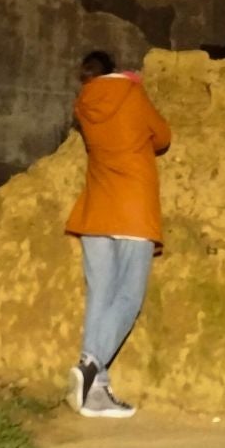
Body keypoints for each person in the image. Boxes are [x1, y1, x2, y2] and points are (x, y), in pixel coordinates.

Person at [63, 48, 172, 418]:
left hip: (96, 212)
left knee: (101, 297)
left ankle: (95, 392)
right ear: (115, 69)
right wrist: (133, 85)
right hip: (134, 211)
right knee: (128, 298)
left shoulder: (83, 104)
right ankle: (90, 364)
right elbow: (163, 136)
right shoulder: (131, 93)